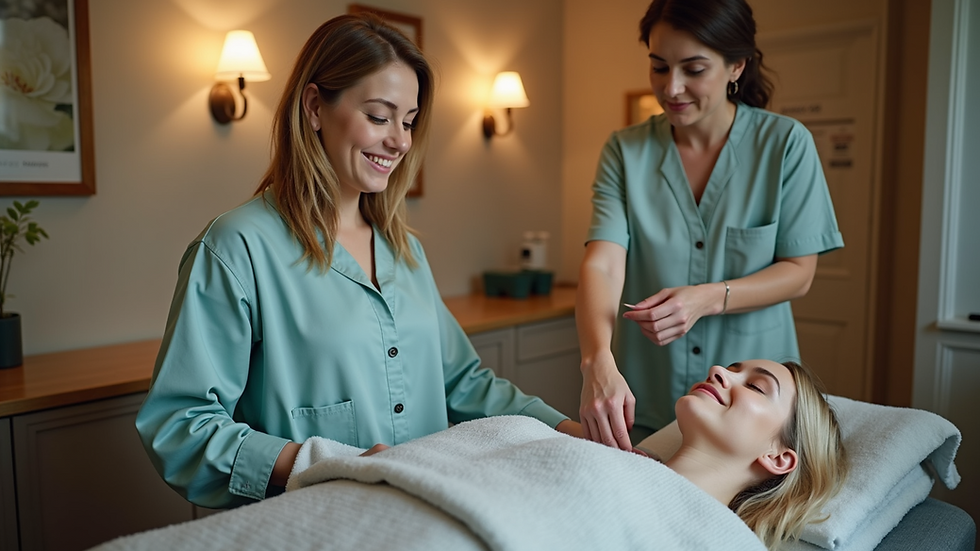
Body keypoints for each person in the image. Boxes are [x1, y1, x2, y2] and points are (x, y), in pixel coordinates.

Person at [136, 13, 581, 510]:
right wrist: (320, 462)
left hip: (420, 518)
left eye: (409, 122)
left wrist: (570, 432)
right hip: (313, 524)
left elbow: (462, 382)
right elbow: (180, 426)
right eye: (378, 116)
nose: (401, 141)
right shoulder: (237, 248)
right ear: (314, 107)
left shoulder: (404, 250)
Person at [576, 0, 843, 450]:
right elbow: (602, 265)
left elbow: (799, 273)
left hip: (753, 419)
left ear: (737, 65)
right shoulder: (625, 151)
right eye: (659, 68)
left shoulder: (785, 145)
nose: (672, 87)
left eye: (693, 69)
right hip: (644, 396)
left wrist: (710, 298)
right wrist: (597, 361)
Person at [659, 358, 848, 548]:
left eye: (755, 386)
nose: (716, 370)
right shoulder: (632, 465)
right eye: (730, 369)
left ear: (777, 458)